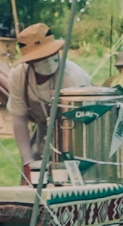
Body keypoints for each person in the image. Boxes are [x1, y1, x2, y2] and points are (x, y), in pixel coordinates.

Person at [6, 23, 91, 178]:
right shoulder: (18, 76)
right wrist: (27, 161)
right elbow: (19, 119)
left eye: (51, 54)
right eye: (41, 57)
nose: (48, 60)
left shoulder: (72, 77)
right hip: (42, 134)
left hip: (78, 133)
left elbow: (83, 123)